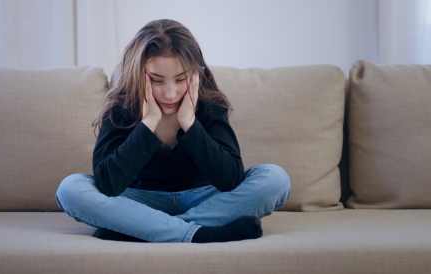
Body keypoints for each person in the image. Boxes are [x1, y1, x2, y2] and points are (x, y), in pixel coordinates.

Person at [56, 19, 291, 243]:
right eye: (157, 80)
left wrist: (189, 123)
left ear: (196, 74)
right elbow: (107, 184)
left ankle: (142, 231)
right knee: (71, 189)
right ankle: (201, 234)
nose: (170, 94)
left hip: (204, 199)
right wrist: (148, 124)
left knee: (275, 178)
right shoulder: (121, 107)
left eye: (181, 79)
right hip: (140, 202)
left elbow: (230, 180)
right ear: (138, 74)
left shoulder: (210, 104)